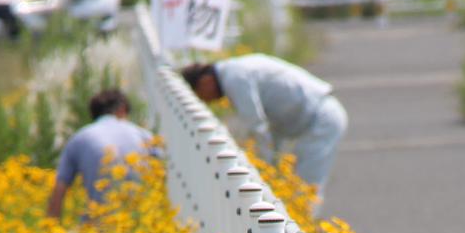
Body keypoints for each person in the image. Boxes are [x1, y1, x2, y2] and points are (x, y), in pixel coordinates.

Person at [181, 55, 349, 205]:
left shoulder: (235, 77)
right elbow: (268, 130)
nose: (206, 101)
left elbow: (257, 127)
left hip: (322, 118)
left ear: (205, 82)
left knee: (305, 188)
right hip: (313, 117)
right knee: (297, 188)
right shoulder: (234, 71)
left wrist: (265, 173)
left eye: (200, 95)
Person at [47, 89, 156, 220]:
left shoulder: (79, 138)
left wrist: (52, 232)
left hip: (97, 228)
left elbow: (59, 189)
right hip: (142, 225)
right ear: (122, 110)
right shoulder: (144, 135)